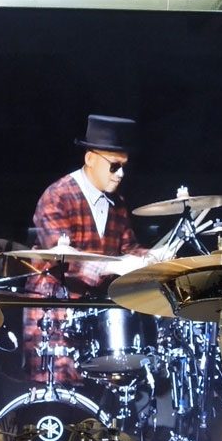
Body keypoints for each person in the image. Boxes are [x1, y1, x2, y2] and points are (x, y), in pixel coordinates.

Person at [23, 114, 171, 383]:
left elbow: (128, 248)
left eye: (124, 166)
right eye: (114, 166)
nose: (121, 174)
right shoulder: (57, 196)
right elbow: (60, 257)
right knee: (58, 399)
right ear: (90, 158)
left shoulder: (118, 204)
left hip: (94, 317)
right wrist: (115, 265)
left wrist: (152, 257)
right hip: (53, 315)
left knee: (101, 397)